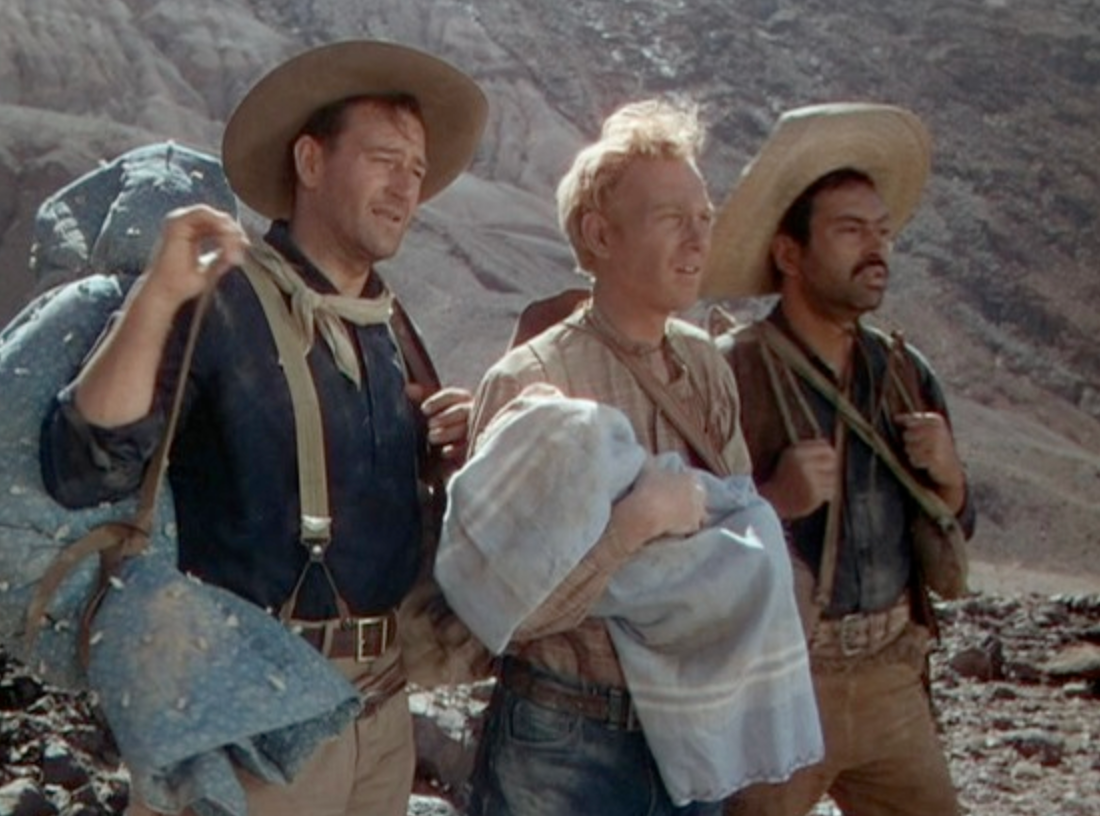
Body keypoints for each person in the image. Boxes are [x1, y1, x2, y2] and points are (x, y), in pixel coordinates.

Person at [40, 40, 487, 816]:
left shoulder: (385, 323)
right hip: (251, 711)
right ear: (310, 161)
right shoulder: (219, 295)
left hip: (380, 711)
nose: (405, 188)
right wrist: (157, 299)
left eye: (416, 170)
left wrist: (444, 442)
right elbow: (84, 467)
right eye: (384, 160)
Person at [463, 98, 763, 816]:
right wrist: (632, 528)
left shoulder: (705, 368)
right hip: (563, 735)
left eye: (705, 218)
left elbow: (739, 526)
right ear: (600, 234)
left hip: (688, 727)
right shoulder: (531, 380)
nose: (698, 239)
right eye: (672, 218)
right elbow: (497, 606)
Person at [704, 103, 976, 816]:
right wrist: (774, 500)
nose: (876, 249)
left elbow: (952, 525)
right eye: (851, 231)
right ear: (789, 254)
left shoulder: (905, 372)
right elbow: (681, 546)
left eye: (883, 232)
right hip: (776, 682)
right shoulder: (731, 374)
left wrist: (950, 479)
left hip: (892, 676)